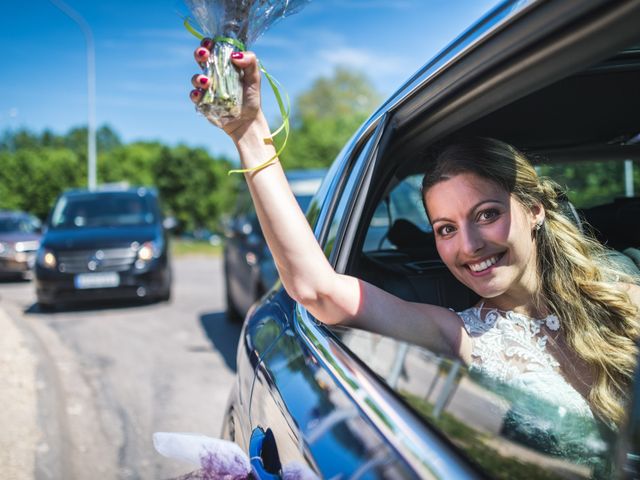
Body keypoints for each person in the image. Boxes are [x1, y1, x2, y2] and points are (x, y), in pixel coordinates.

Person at [189, 42, 640, 433]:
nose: (468, 246)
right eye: (445, 229)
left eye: (486, 214)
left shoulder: (624, 297)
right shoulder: (457, 334)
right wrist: (250, 134)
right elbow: (316, 287)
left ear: (535, 210)